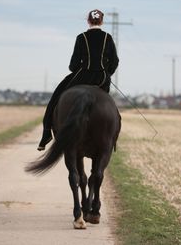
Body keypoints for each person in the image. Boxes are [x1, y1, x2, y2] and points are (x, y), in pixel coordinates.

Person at [37, 9, 119, 151]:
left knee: (55, 98)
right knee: (111, 106)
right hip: (102, 79)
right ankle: (113, 137)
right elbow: (115, 61)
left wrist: (78, 69)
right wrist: (107, 73)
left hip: (82, 77)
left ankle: (46, 134)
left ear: (88, 21)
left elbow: (73, 65)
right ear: (102, 21)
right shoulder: (108, 38)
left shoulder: (81, 37)